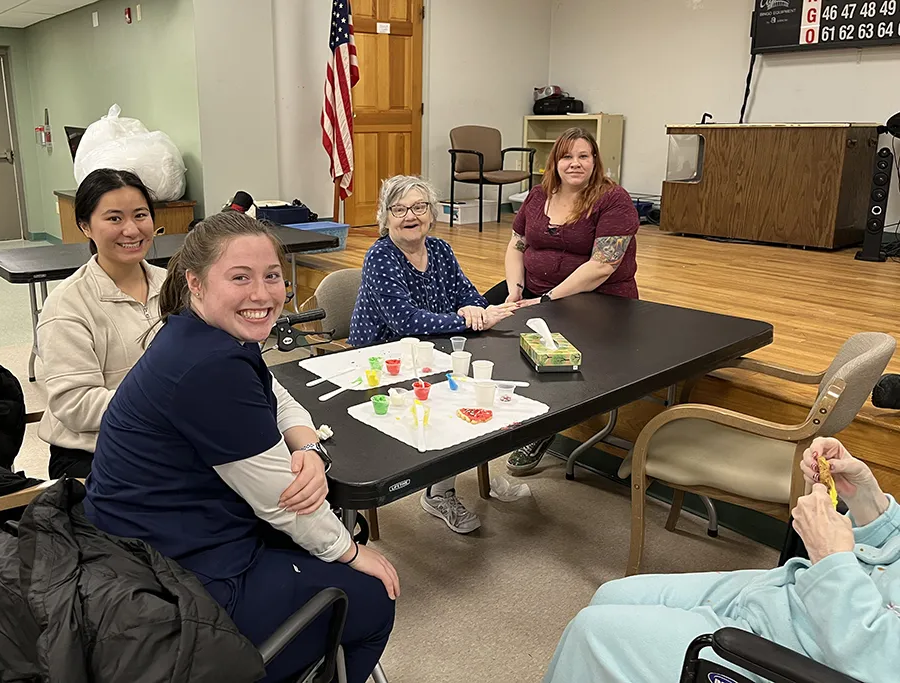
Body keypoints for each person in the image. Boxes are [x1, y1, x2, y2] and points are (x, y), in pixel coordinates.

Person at [84, 212, 399, 683]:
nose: (262, 293)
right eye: (240, 278)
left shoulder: (206, 332)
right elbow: (284, 502)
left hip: (147, 542)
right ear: (195, 281)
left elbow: (277, 396)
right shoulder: (208, 368)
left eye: (272, 276)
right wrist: (350, 554)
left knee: (326, 540)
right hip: (173, 579)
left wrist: (310, 447)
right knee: (372, 598)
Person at [543, 437, 900, 683]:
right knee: (611, 596)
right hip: (791, 595)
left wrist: (830, 559)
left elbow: (880, 664)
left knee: (593, 631)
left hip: (799, 648)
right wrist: (868, 501)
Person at [348, 174, 516, 534]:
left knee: (475, 393)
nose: (410, 216)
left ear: (431, 213)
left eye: (419, 207)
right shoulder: (381, 256)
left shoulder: (439, 250)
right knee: (449, 403)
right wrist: (465, 319)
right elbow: (404, 320)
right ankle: (439, 490)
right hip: (380, 363)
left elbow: (470, 295)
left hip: (431, 353)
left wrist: (475, 310)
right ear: (386, 216)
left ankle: (440, 491)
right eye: (399, 209)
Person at [482, 128, 640, 474]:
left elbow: (602, 266)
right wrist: (515, 288)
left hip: (596, 299)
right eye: (567, 156)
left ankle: (542, 427)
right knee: (481, 317)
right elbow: (517, 245)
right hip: (535, 289)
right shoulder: (539, 196)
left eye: (584, 156)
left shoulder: (614, 200)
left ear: (595, 161)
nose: (575, 164)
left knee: (552, 347)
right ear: (555, 161)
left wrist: (546, 299)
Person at [35, 169, 168, 478]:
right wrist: (168, 405)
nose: (132, 230)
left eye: (140, 215)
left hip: (169, 441)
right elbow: (76, 404)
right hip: (95, 455)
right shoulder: (68, 305)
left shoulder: (175, 287)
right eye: (114, 219)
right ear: (85, 227)